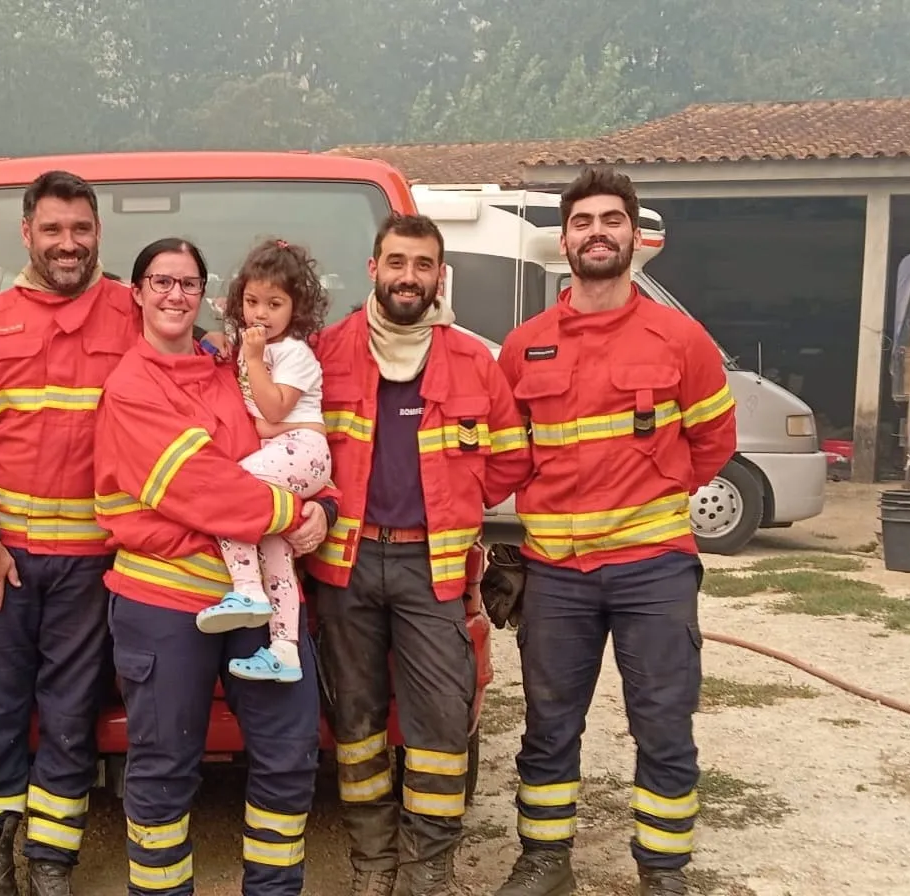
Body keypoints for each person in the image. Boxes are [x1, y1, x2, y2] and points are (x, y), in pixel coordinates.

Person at [492, 166, 737, 896]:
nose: (595, 232)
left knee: (662, 722)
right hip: (555, 573)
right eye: (581, 222)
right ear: (563, 240)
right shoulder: (524, 346)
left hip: (651, 568)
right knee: (547, 726)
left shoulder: (679, 338)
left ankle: (661, 872)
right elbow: (505, 454)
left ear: (634, 235)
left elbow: (712, 443)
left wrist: (647, 499)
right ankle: (544, 862)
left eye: (609, 220)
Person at [93, 238, 335, 896]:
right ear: (137, 293)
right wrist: (292, 515)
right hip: (165, 604)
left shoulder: (225, 365)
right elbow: (204, 489)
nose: (175, 295)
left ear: (205, 296)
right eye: (160, 282)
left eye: (188, 283)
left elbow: (288, 444)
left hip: (253, 604)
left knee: (290, 757)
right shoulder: (131, 387)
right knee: (166, 766)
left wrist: (326, 509)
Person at [305, 212, 533, 896]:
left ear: (439, 276)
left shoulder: (471, 360)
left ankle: (427, 873)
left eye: (423, 265)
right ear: (373, 269)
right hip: (342, 565)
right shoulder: (326, 350)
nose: (410, 277)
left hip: (429, 564)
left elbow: (509, 458)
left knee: (439, 723)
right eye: (397, 263)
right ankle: (373, 867)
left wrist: (456, 504)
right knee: (356, 722)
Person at [0, 170, 139, 896]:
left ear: (97, 234)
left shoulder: (134, 310)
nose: (67, 243)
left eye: (80, 229)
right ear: (26, 234)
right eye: (52, 230)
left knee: (70, 716)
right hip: (4, 563)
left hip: (93, 564)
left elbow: (197, 387)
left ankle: (51, 861)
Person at [194, 238, 333, 685]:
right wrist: (221, 340)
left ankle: (247, 591)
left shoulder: (295, 353)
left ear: (296, 307)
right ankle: (285, 649)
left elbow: (273, 409)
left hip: (306, 455)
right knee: (274, 547)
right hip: (285, 451)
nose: (261, 314)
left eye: (275, 304)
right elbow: (225, 350)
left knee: (229, 495)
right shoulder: (250, 345)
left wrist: (251, 356)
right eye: (252, 301)